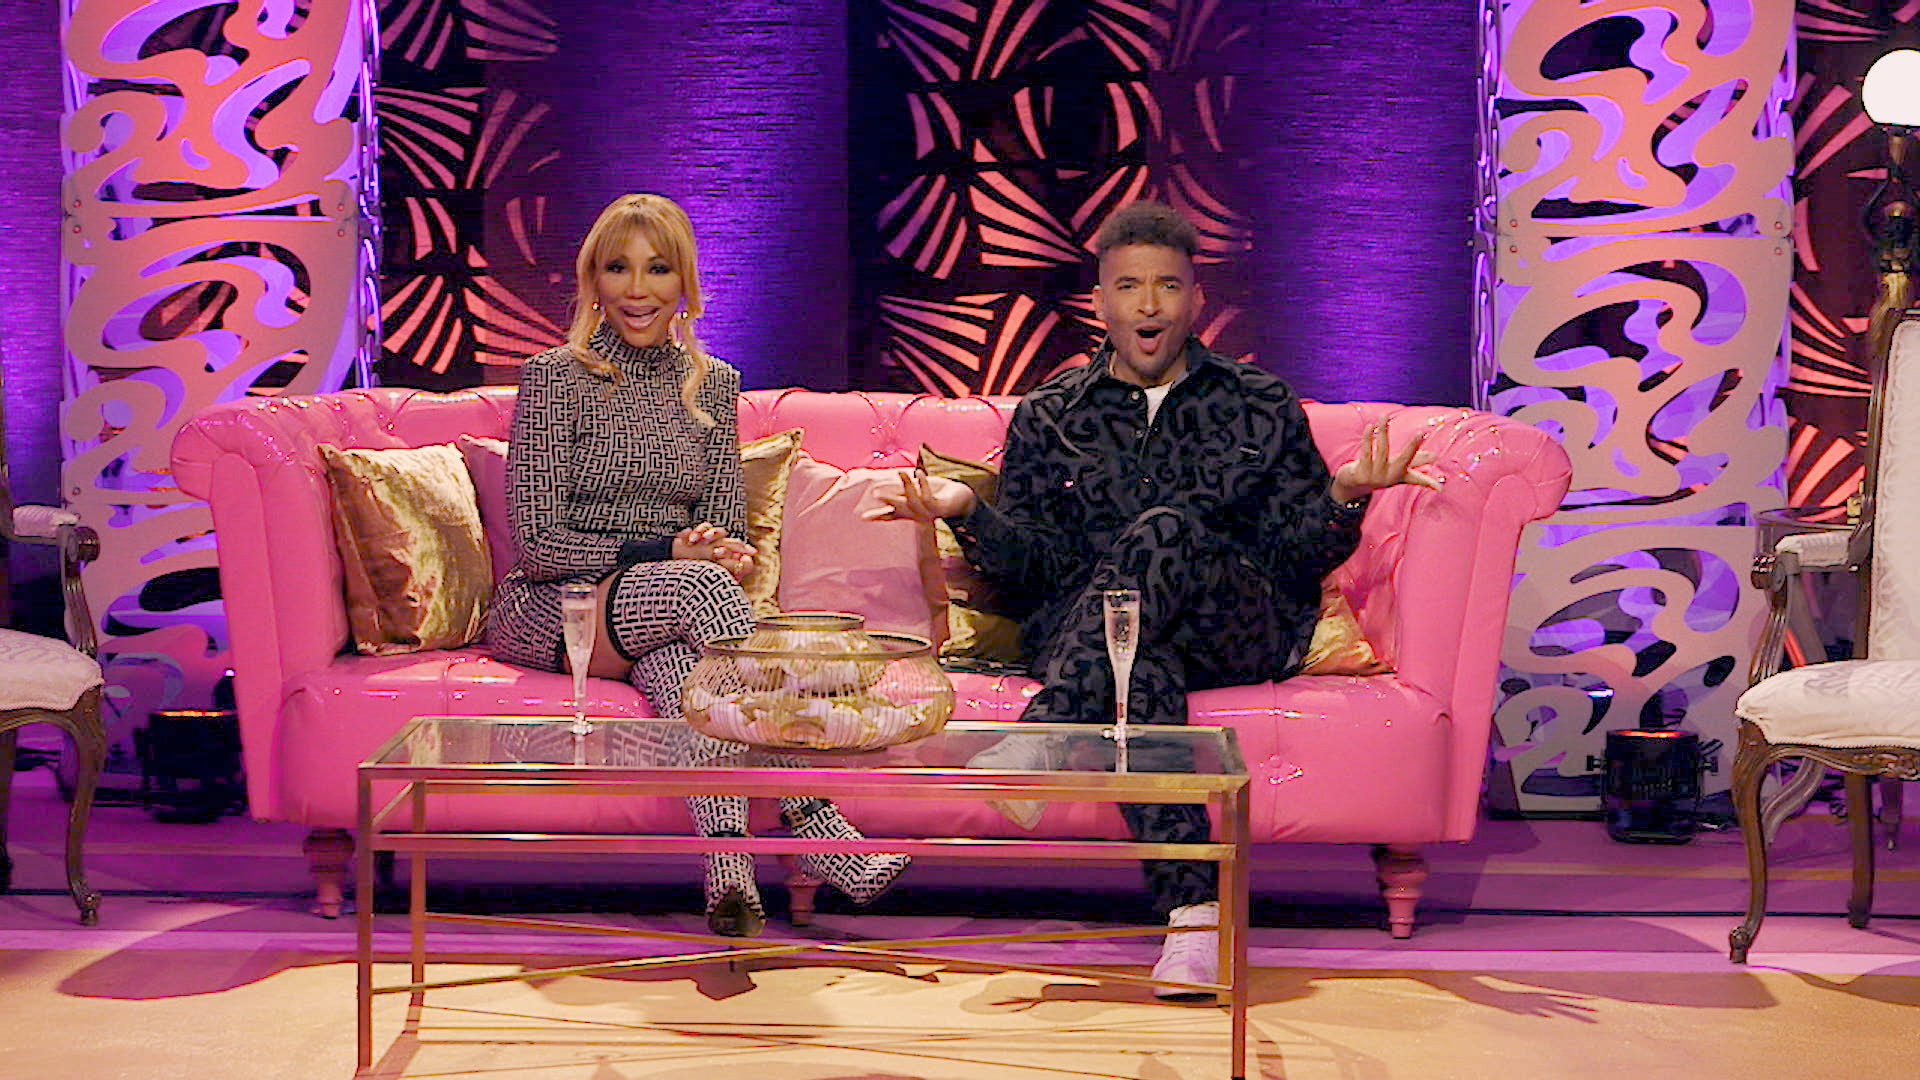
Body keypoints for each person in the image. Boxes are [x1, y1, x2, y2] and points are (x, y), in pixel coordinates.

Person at [868, 199, 1439, 994]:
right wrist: (967, 510)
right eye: (1129, 286)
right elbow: (1030, 571)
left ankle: (1050, 729)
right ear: (1099, 302)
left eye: (1167, 286)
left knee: (1166, 531)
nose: (1149, 304)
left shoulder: (1259, 402)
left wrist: (1344, 495)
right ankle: (1193, 921)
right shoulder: (1051, 415)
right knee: (1140, 662)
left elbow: (1293, 555)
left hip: (1233, 623)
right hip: (1094, 631)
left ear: (1195, 300)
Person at [488, 193, 908, 937]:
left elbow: (724, 524)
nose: (637, 289)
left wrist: (722, 548)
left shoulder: (711, 383)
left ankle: (729, 874)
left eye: (657, 269)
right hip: (558, 606)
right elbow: (538, 544)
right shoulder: (554, 377)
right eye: (618, 268)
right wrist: (671, 554)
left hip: (669, 607)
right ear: (592, 279)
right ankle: (815, 822)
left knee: (689, 673)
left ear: (684, 282)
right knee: (699, 596)